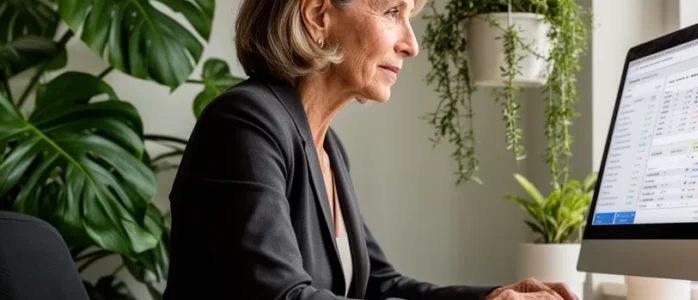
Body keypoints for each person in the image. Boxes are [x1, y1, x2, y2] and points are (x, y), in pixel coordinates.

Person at [163, 0, 578, 299]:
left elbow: (382, 285)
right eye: (393, 12)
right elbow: (282, 295)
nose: (411, 45)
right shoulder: (245, 122)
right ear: (317, 16)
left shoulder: (328, 148)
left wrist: (496, 296)